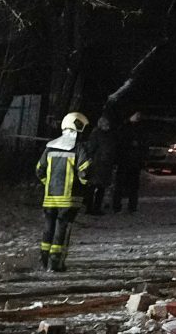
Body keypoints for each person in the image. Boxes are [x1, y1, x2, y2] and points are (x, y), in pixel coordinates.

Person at [36, 112, 91, 272]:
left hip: (50, 197)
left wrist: (49, 184)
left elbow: (39, 170)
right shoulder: (79, 148)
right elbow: (84, 172)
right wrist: (85, 186)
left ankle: (44, 259)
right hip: (69, 198)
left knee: (48, 226)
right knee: (63, 228)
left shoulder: (50, 147)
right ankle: (56, 261)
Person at [112, 111, 146, 214]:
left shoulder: (140, 128)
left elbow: (144, 144)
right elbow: (119, 143)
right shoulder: (124, 127)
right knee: (120, 185)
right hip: (124, 161)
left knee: (133, 186)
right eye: (136, 114)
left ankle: (132, 207)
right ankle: (117, 206)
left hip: (134, 162)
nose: (138, 116)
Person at [84, 114, 117, 215]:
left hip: (103, 164)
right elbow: (91, 148)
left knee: (100, 187)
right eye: (106, 124)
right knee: (94, 187)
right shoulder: (97, 134)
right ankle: (91, 208)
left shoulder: (106, 135)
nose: (108, 126)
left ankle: (95, 207)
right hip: (98, 164)